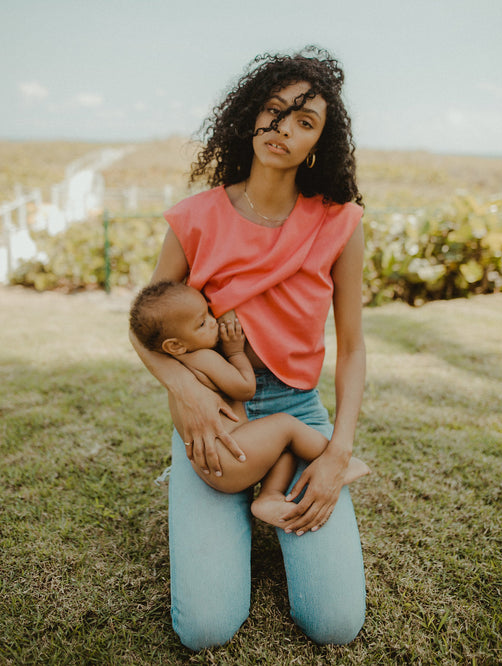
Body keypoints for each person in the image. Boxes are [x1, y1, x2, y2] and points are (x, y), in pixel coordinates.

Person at [129, 46, 368, 650]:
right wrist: (184, 391)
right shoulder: (195, 218)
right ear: (251, 117)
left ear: (318, 145)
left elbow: (354, 347)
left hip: (298, 413)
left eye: (304, 122)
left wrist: (337, 451)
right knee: (205, 629)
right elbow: (144, 325)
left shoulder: (339, 222)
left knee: (334, 625)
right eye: (275, 111)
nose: (284, 128)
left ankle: (268, 485)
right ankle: (207, 485)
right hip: (216, 417)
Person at [129, 280, 370, 520]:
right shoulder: (203, 358)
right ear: (175, 345)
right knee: (286, 426)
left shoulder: (181, 364)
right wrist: (234, 351)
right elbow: (245, 389)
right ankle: (334, 458)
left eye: (209, 313)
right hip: (232, 455)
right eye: (202, 323)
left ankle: (269, 497)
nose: (213, 322)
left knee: (284, 448)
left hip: (215, 462)